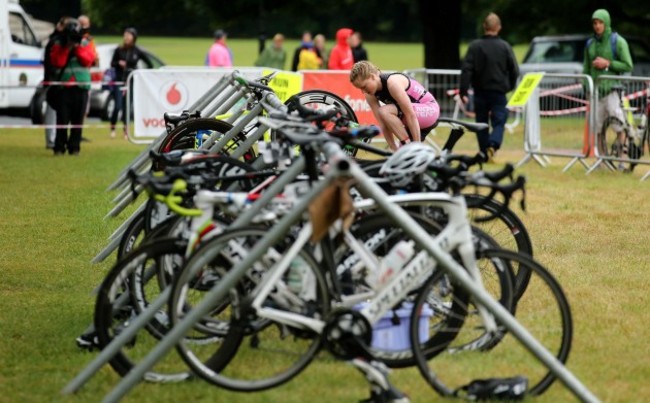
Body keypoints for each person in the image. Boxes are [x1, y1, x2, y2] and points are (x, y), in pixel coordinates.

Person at [459, 12, 519, 162]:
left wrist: (463, 91)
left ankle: (484, 153)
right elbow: (514, 70)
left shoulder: (475, 46)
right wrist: (510, 86)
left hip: (480, 91)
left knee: (481, 122)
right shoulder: (505, 47)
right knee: (500, 120)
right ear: (498, 28)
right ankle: (493, 144)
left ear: (484, 27)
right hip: (499, 91)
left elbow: (466, 70)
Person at [350, 61, 440, 152]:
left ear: (373, 76)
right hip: (414, 118)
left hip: (429, 110)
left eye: (364, 86)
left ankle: (413, 149)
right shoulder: (369, 94)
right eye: (360, 89)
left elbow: (410, 115)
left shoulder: (392, 83)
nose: (363, 91)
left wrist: (416, 149)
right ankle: (408, 149)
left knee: (384, 111)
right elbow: (383, 124)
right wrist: (393, 148)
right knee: (402, 158)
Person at [583, 8, 633, 170]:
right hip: (595, 93)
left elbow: (628, 65)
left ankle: (621, 160)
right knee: (598, 128)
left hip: (613, 91)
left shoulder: (617, 41)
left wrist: (608, 64)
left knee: (619, 126)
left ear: (606, 23)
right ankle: (602, 160)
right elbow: (585, 69)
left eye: (600, 23)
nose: (597, 26)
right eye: (594, 23)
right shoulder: (589, 44)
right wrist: (586, 87)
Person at [48, 18, 96, 156]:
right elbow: (58, 62)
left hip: (81, 86)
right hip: (64, 86)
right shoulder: (59, 42)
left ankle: (74, 147)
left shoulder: (86, 42)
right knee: (62, 119)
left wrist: (77, 47)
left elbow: (88, 60)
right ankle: (59, 147)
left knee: (78, 120)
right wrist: (67, 47)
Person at [109, 27, 150, 139]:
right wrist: (118, 63)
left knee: (127, 107)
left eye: (129, 35)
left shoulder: (137, 51)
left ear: (134, 38)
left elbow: (149, 64)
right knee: (117, 106)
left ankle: (125, 130)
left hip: (130, 82)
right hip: (119, 81)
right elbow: (112, 63)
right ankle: (112, 128)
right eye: (125, 35)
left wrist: (139, 72)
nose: (126, 37)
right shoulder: (119, 49)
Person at [42, 16, 69, 150]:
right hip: (53, 80)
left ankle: (56, 138)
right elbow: (51, 63)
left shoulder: (59, 40)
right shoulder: (55, 41)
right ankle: (50, 139)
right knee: (52, 110)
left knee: (58, 111)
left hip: (58, 80)